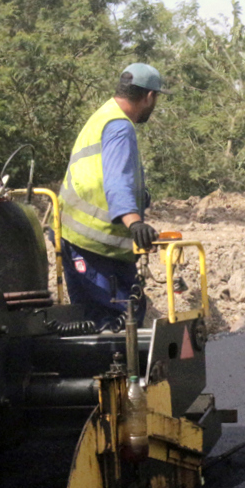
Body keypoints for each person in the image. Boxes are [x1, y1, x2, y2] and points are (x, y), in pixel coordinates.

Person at [59, 63, 167, 330]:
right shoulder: (120, 127)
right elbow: (117, 181)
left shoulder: (101, 117)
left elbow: (97, 175)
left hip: (76, 238)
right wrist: (135, 223)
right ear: (149, 97)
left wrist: (141, 197)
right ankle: (122, 371)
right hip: (98, 244)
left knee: (91, 321)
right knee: (121, 318)